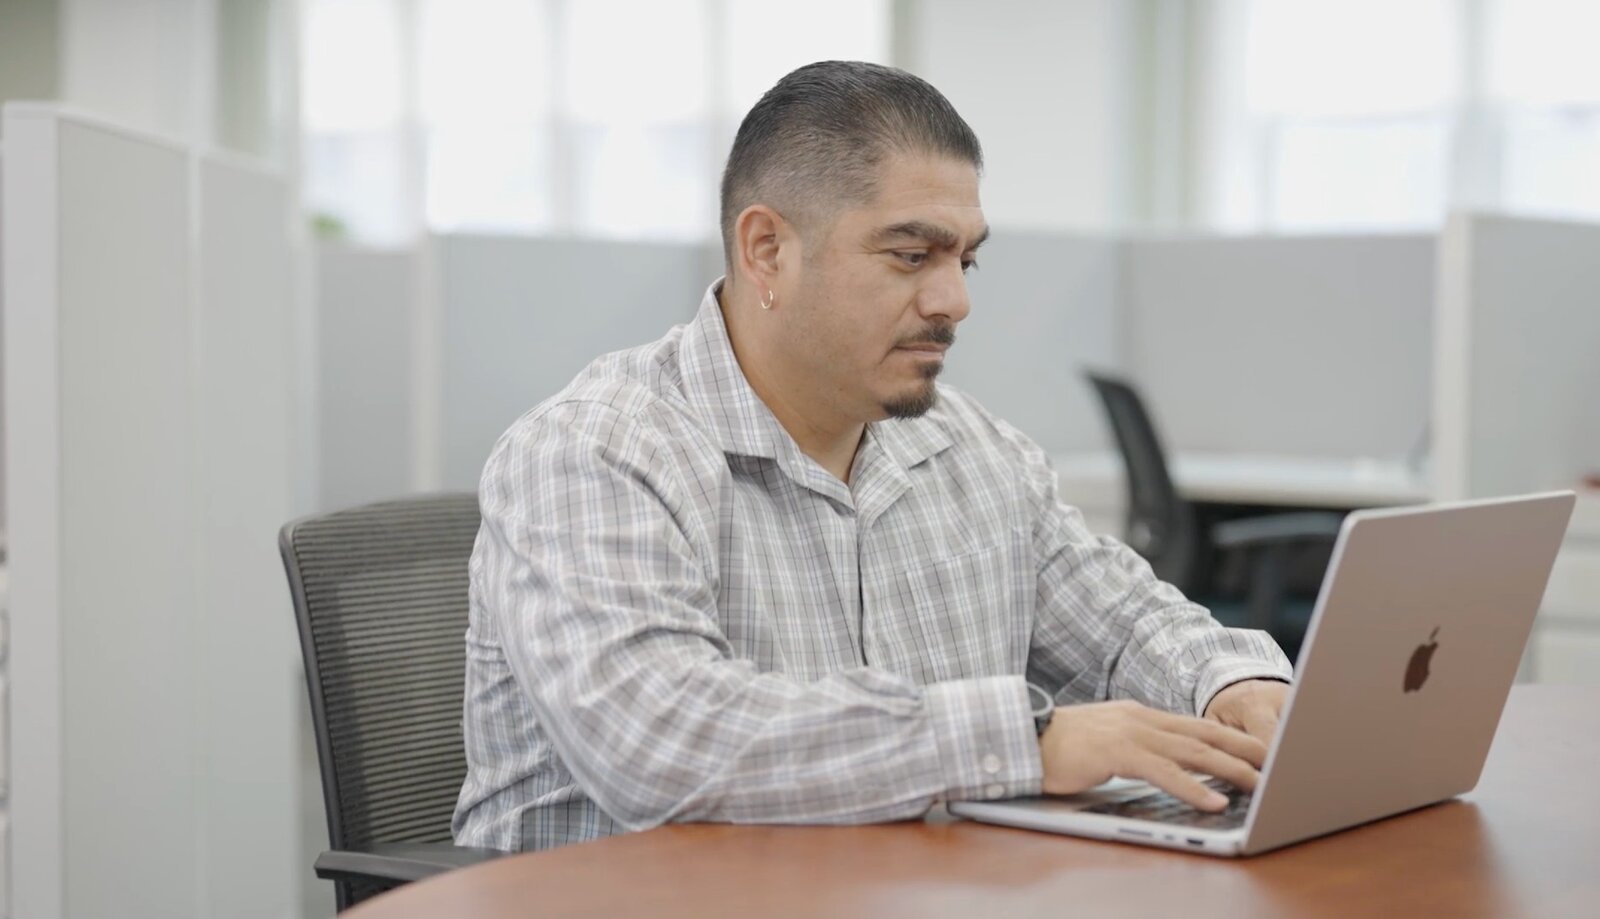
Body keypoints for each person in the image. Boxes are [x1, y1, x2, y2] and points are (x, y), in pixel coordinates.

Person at [453, 61, 1291, 853]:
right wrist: (1026, 742)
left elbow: (1125, 623)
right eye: (910, 254)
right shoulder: (593, 452)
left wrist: (1231, 684)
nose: (954, 300)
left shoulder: (975, 452)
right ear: (766, 251)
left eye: (965, 257)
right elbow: (661, 742)